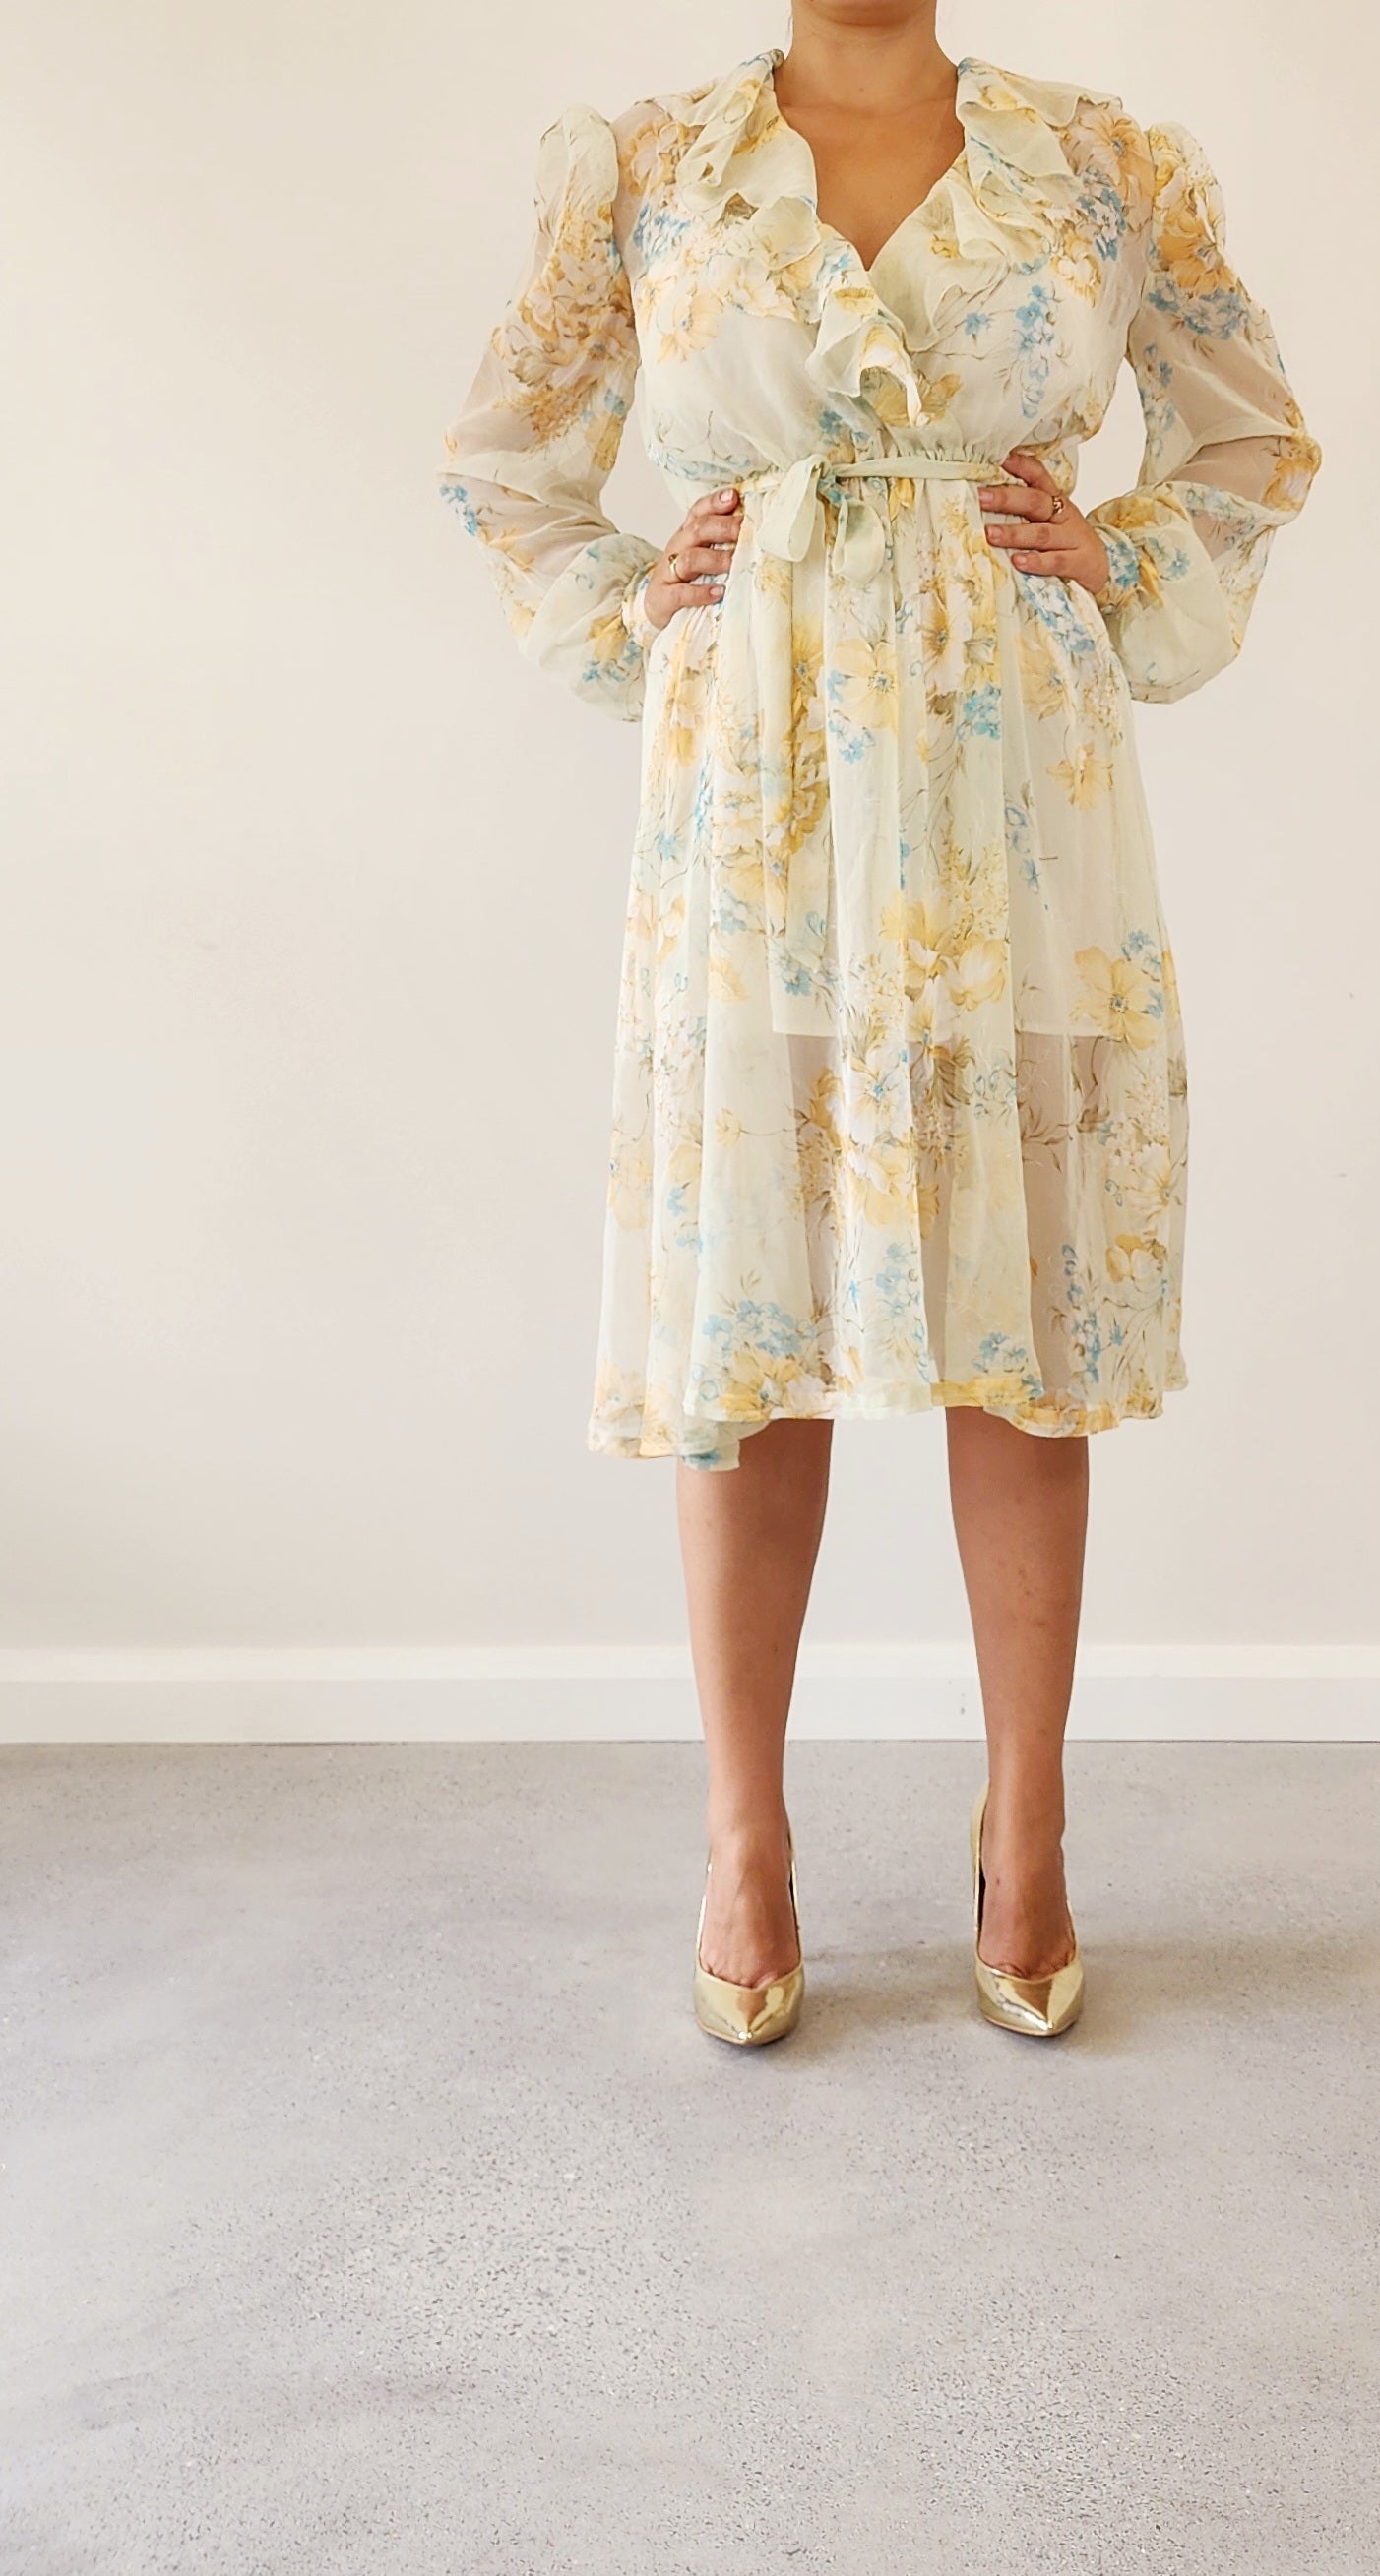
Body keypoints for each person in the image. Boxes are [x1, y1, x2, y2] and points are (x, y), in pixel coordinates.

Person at [437, 8, 1320, 2046]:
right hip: (756, 799)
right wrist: (631, 606)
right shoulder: (648, 167)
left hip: (1020, 802)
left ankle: (1031, 1814)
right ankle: (745, 1836)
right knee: (755, 1327)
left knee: (1017, 1322)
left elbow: (1254, 429)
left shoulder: (1103, 159)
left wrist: (1130, 553)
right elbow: (504, 458)